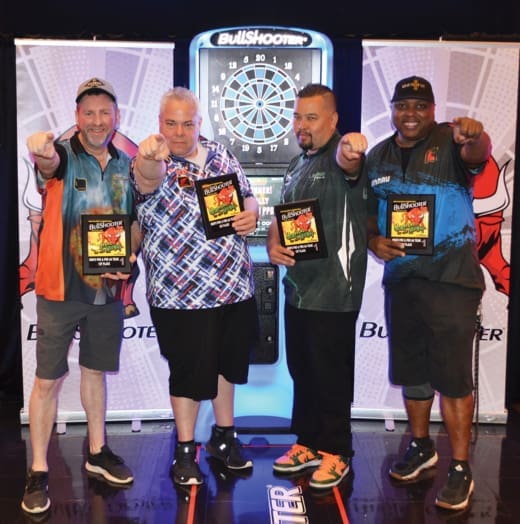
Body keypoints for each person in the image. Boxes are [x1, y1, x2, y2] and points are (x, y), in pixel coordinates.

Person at [365, 75, 492, 511]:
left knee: (453, 378)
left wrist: (476, 135)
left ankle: (460, 467)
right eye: (403, 105)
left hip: (451, 280)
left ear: (433, 110)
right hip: (403, 280)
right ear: (393, 109)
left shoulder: (453, 141)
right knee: (413, 372)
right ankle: (421, 447)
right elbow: (370, 212)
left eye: (420, 105)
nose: (411, 113)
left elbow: (478, 154)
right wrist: (374, 241)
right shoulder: (378, 156)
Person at [130, 86, 259, 486]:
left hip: (233, 286)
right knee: (187, 372)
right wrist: (149, 158)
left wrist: (251, 213)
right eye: (171, 123)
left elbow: (248, 197)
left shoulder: (221, 155)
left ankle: (224, 437)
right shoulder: (151, 159)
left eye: (187, 124)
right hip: (179, 294)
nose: (179, 132)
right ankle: (185, 451)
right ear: (159, 123)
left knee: (227, 366)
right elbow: (146, 179)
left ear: (199, 123)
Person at [21, 77, 136, 515]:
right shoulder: (64, 155)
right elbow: (46, 163)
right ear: (76, 117)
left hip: (107, 290)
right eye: (88, 113)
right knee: (47, 380)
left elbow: (132, 222)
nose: (97, 120)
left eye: (104, 112)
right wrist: (40, 149)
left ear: (116, 116)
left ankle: (97, 451)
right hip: (59, 289)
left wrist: (128, 255)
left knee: (94, 373)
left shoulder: (125, 163)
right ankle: (38, 470)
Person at [266, 83, 369, 490]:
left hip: (334, 291)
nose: (301, 125)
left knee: (330, 375)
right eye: (297, 116)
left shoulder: (341, 156)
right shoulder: (297, 164)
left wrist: (352, 147)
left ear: (333, 120)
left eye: (311, 117)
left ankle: (337, 451)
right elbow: (281, 218)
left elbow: (350, 158)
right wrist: (273, 243)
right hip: (299, 289)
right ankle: (307, 443)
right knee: (303, 371)